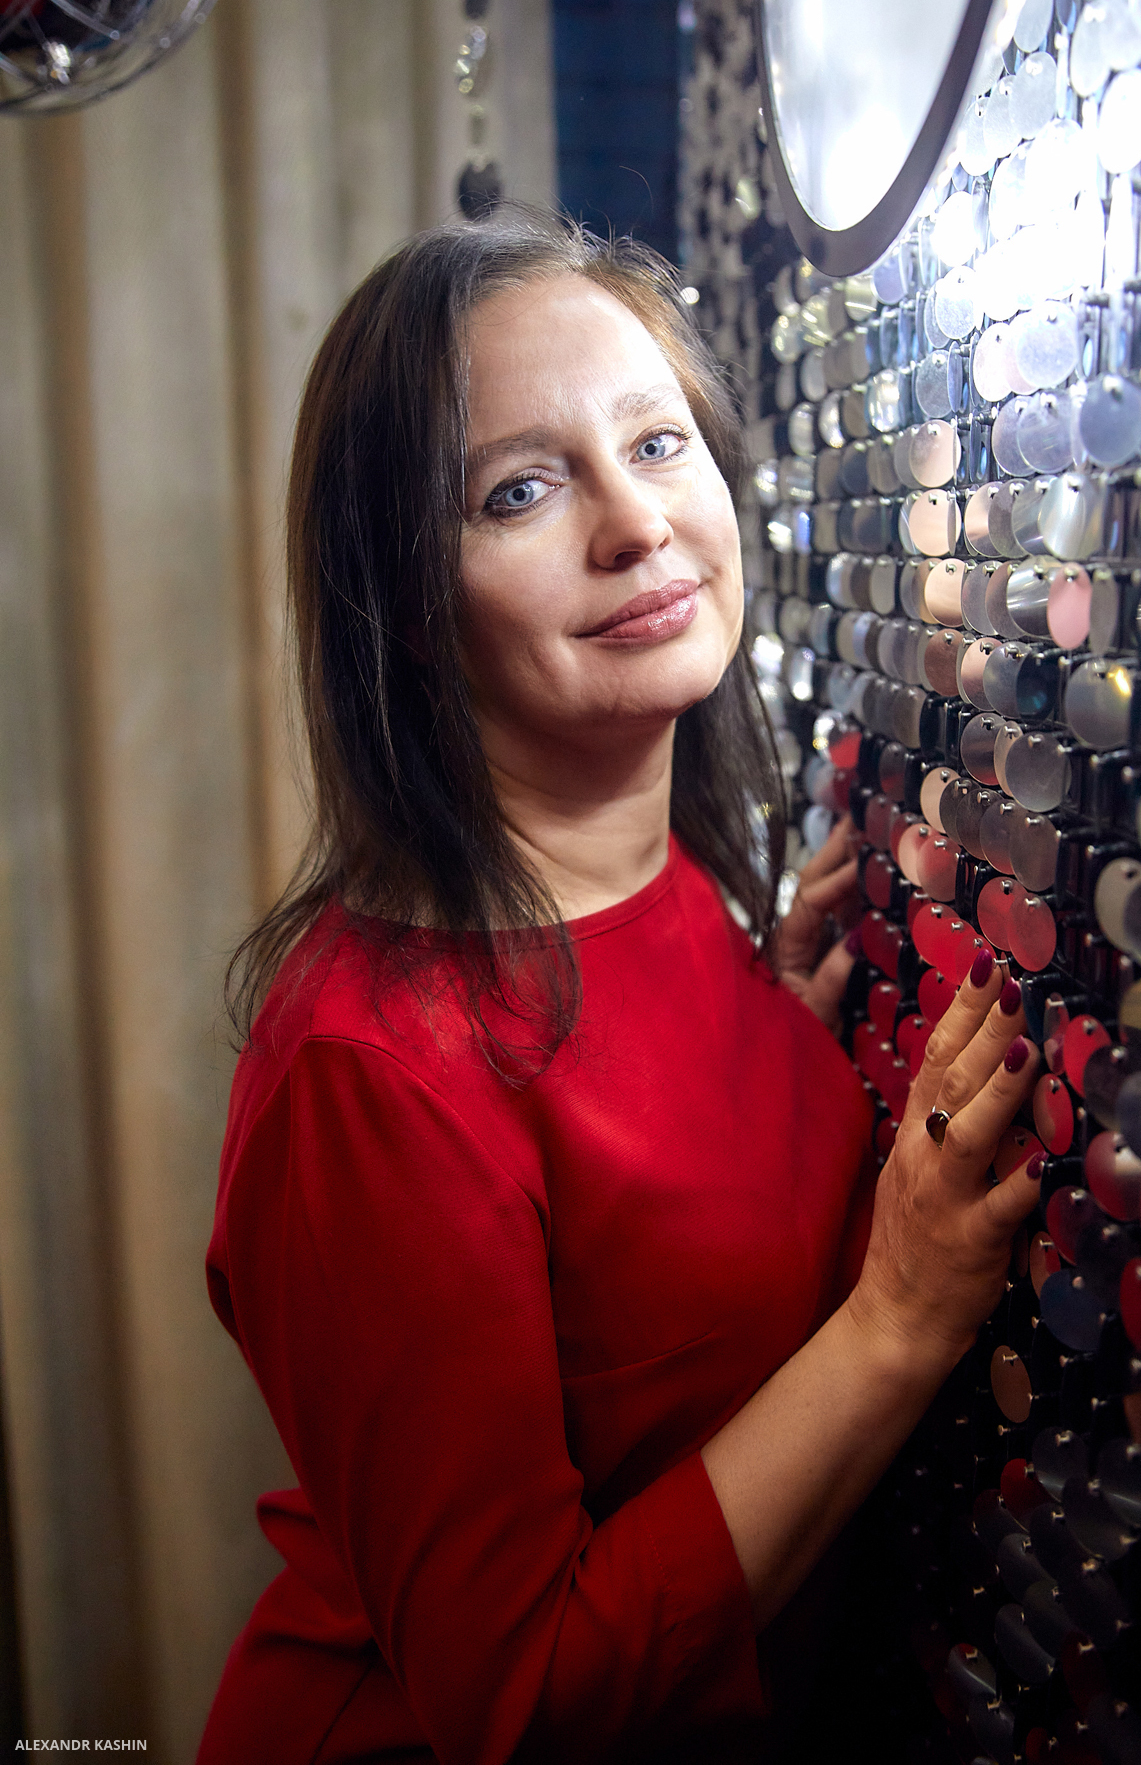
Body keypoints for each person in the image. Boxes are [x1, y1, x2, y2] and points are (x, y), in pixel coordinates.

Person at [198, 207, 1042, 1765]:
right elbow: (525, 1700)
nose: (636, 524)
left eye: (656, 443)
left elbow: (644, 1242)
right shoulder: (366, 1067)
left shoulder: (687, 890)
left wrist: (767, 1055)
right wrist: (902, 1317)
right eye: (519, 490)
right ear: (407, 609)